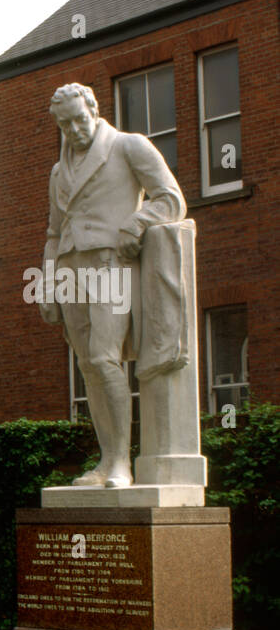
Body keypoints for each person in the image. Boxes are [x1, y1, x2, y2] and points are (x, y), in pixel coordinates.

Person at [40, 82, 186, 487]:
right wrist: (49, 283)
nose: (74, 130)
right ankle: (106, 461)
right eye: (64, 124)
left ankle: (122, 462)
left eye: (79, 120)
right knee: (87, 365)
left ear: (94, 110)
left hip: (110, 264)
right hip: (71, 267)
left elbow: (171, 198)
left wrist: (136, 223)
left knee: (105, 359)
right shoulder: (57, 171)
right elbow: (54, 232)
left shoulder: (129, 146)